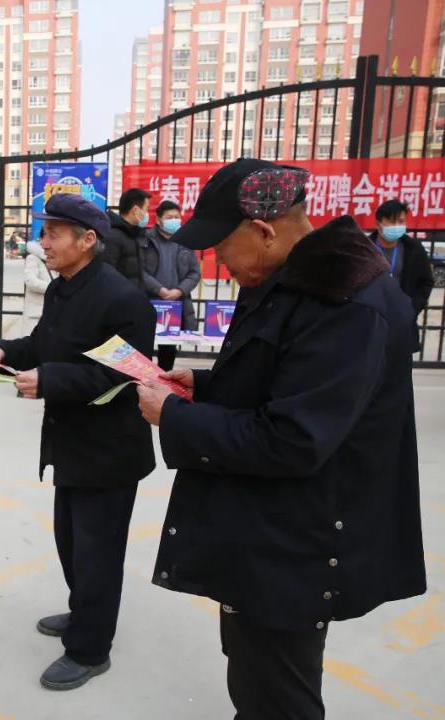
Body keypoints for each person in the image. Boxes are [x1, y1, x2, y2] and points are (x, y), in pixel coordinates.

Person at [136, 158, 427, 720]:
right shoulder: (283, 279)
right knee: (252, 676)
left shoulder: (347, 303)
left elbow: (293, 439)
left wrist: (172, 417)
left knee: (279, 695)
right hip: (263, 529)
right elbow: (280, 381)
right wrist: (205, 384)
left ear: (263, 230)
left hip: (300, 543)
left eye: (222, 247)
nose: (219, 263)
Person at [0, 193, 156, 692]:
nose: (43, 242)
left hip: (109, 450)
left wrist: (49, 380)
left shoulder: (124, 301)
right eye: (44, 232)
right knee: (72, 544)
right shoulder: (63, 289)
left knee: (98, 554)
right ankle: (84, 612)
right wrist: (1, 349)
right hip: (70, 442)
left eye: (53, 234)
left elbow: (120, 374)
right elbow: (42, 344)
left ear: (87, 240)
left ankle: (91, 650)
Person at [140, 200, 201, 370]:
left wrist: (180, 290)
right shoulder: (146, 240)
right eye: (169, 217)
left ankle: (164, 380)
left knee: (168, 351)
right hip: (150, 301)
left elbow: (195, 273)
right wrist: (158, 289)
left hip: (176, 304)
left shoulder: (185, 240)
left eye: (176, 217)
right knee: (143, 345)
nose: (174, 220)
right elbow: (139, 270)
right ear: (159, 220)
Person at [368, 199, 434, 349]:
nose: (397, 225)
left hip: (402, 321)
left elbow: (426, 282)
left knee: (399, 362)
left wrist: (412, 308)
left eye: (401, 221)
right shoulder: (365, 248)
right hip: (371, 319)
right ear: (378, 223)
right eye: (392, 221)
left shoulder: (414, 249)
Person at [101, 188, 150, 288]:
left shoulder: (133, 233)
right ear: (136, 210)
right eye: (146, 209)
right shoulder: (113, 236)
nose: (146, 214)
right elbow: (106, 275)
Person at [21, 235, 52, 336]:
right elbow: (30, 281)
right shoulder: (33, 258)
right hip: (35, 312)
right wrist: (52, 287)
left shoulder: (54, 259)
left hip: (51, 311)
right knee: (33, 340)